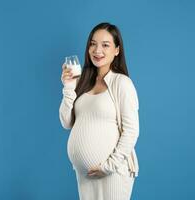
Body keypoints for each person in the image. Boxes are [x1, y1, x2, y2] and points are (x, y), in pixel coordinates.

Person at [59, 22, 140, 200]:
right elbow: (66, 122)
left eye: (105, 45)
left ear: (117, 50)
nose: (97, 50)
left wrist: (108, 167)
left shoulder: (122, 83)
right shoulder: (83, 82)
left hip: (113, 172)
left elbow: (131, 131)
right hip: (85, 175)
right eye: (93, 43)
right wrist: (69, 87)